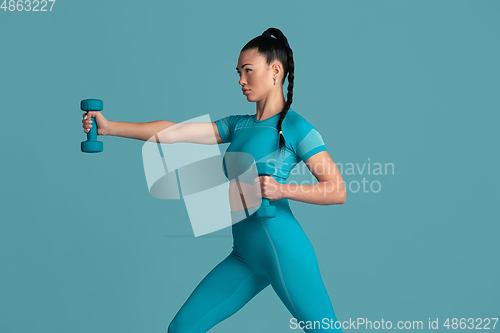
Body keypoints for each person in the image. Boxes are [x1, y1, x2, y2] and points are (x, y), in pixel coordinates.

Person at [82, 27, 346, 333]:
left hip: (284, 247)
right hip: (245, 255)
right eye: (238, 73)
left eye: (248, 71)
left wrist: (282, 189)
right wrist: (110, 127)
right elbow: (174, 133)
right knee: (182, 328)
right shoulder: (238, 125)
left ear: (275, 71)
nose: (240, 81)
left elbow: (337, 190)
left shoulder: (296, 126)